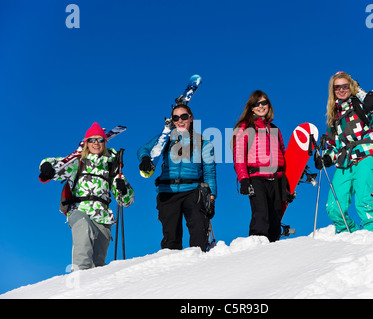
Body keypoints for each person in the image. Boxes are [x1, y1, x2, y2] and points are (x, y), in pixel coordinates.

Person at [39, 122, 135, 270]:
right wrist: (47, 167)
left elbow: (126, 201)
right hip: (80, 210)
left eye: (100, 140)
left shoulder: (111, 167)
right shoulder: (77, 163)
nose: (96, 143)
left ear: (105, 142)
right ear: (86, 143)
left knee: (98, 264)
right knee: (83, 233)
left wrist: (124, 188)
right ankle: (79, 278)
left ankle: (93, 289)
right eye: (91, 140)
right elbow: (58, 163)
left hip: (103, 216)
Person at [315, 71, 373, 233]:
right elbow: (332, 146)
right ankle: (347, 239)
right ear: (333, 91)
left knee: (365, 203)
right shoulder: (334, 116)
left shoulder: (361, 102)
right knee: (334, 208)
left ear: (351, 86)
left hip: (366, 155)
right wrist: (327, 158)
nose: (341, 90)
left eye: (345, 86)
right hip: (344, 163)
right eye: (337, 88)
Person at [137, 104, 217, 252]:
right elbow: (144, 149)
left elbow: (209, 171)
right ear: (172, 121)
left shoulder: (203, 142)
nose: (180, 120)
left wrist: (211, 198)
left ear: (191, 118)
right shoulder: (166, 139)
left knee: (199, 233)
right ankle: (174, 271)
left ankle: (200, 267)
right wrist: (145, 159)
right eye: (176, 118)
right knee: (171, 239)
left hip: (193, 191)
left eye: (184, 117)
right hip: (168, 191)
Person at [232, 90, 288, 242]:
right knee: (261, 215)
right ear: (251, 107)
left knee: (276, 217)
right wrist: (243, 180)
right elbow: (238, 156)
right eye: (257, 104)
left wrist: (286, 182)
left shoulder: (274, 129)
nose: (261, 106)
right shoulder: (245, 127)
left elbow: (282, 155)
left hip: (276, 178)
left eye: (264, 103)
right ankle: (256, 249)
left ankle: (272, 251)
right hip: (256, 178)